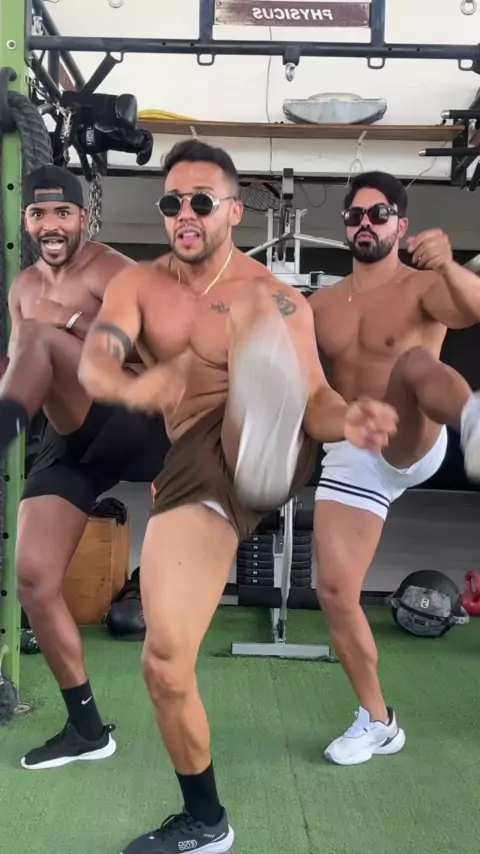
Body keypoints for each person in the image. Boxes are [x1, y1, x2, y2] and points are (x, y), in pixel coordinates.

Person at [77, 140, 398, 854]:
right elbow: (95, 364)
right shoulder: (138, 286)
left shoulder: (272, 294)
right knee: (164, 664)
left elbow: (317, 397)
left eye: (200, 201)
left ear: (232, 211)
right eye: (172, 203)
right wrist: (138, 385)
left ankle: (261, 433)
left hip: (273, 443)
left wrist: (349, 419)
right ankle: (205, 821)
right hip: (196, 468)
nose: (184, 214)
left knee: (256, 308)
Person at [0, 164, 168, 771]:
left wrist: (69, 322)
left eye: (63, 213)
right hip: (69, 438)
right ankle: (87, 729)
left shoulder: (110, 270)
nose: (51, 224)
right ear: (27, 221)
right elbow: (19, 367)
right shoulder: (22, 288)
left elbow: (156, 349)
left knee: (41, 338)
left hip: (130, 420)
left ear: (84, 218)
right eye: (39, 214)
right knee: (34, 579)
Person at [309, 170, 480, 767]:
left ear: (400, 225)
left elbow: (474, 306)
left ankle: (474, 421)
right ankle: (379, 722)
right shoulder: (322, 306)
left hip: (414, 437)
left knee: (411, 363)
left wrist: (450, 265)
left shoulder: (423, 286)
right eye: (355, 215)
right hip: (356, 444)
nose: (365, 224)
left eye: (378, 214)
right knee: (335, 592)